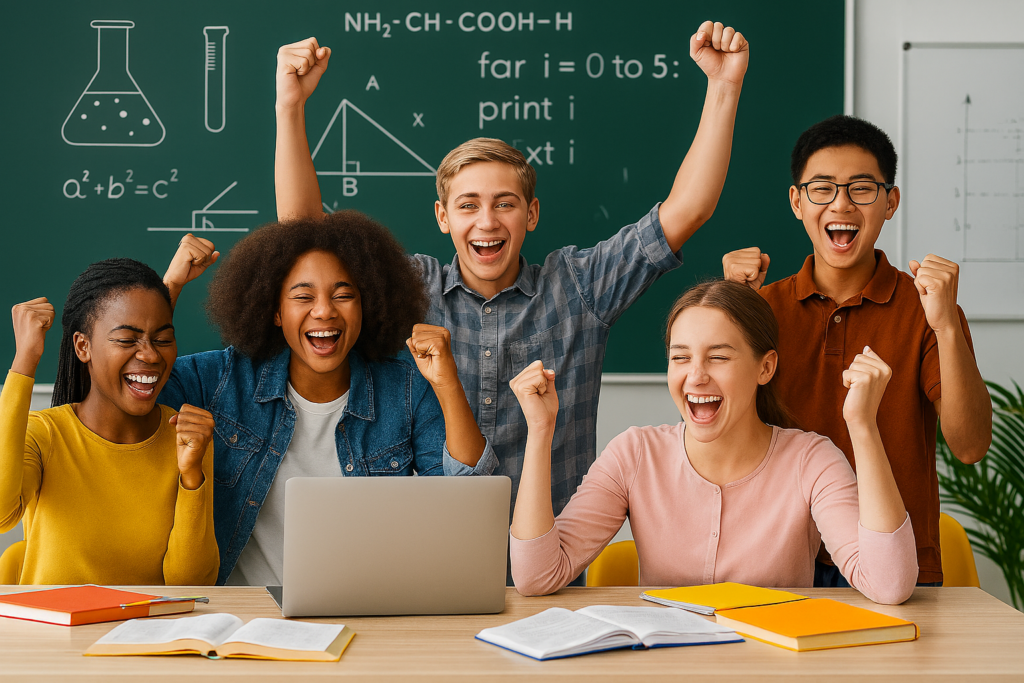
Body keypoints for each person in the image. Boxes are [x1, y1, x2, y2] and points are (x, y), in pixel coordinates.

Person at [272, 22, 749, 582]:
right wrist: (290, 106)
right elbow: (306, 237)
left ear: (532, 215)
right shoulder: (410, 288)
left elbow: (686, 209)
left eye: (505, 203)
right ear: (443, 218)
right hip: (426, 556)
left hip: (551, 562)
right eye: (469, 205)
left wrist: (724, 86)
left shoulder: (578, 285)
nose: (488, 221)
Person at [508, 280, 918, 605]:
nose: (697, 376)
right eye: (680, 357)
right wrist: (541, 432)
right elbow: (536, 576)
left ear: (766, 367)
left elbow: (889, 585)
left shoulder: (812, 460)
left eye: (718, 357)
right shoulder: (634, 454)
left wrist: (862, 426)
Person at [721, 115, 991, 586]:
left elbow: (969, 447)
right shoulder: (762, 308)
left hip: (896, 558)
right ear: (796, 202)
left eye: (862, 189)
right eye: (822, 189)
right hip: (779, 560)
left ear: (891, 202)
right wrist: (729, 313)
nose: (841, 204)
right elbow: (714, 431)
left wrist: (946, 325)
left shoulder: (926, 309)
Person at [159, 212, 495, 586]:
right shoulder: (221, 379)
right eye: (303, 296)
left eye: (343, 295)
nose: (324, 311)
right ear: (274, 311)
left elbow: (467, 498)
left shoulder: (405, 389)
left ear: (366, 306)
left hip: (365, 608)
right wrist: (170, 286)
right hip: (244, 616)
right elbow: (133, 386)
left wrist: (446, 382)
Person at [0, 259, 218, 585]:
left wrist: (191, 477)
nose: (150, 355)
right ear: (83, 346)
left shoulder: (186, 438)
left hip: (144, 632)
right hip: (56, 632)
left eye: (162, 339)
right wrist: (25, 361)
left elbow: (191, 584)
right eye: (127, 340)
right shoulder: (45, 433)